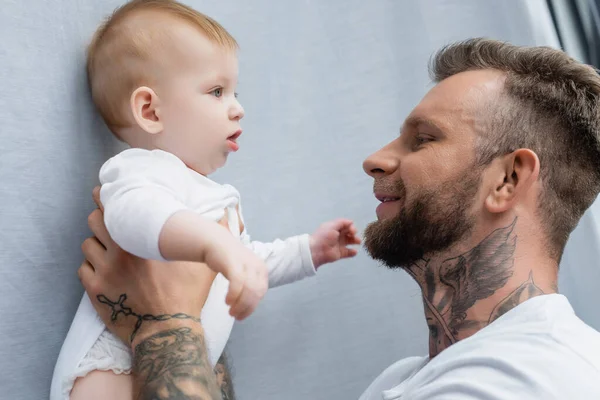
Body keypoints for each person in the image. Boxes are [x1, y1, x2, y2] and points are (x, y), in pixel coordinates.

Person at [79, 37, 600, 399]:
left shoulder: (521, 380)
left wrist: (165, 325)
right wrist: (194, 317)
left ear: (508, 181)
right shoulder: (414, 378)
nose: (375, 157)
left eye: (423, 139)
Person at [50, 1, 361, 399]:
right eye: (216, 91)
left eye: (234, 91)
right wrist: (217, 246)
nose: (238, 108)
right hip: (110, 366)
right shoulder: (141, 169)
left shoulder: (208, 198)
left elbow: (247, 263)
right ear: (150, 110)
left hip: (171, 364)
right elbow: (134, 217)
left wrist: (308, 252)